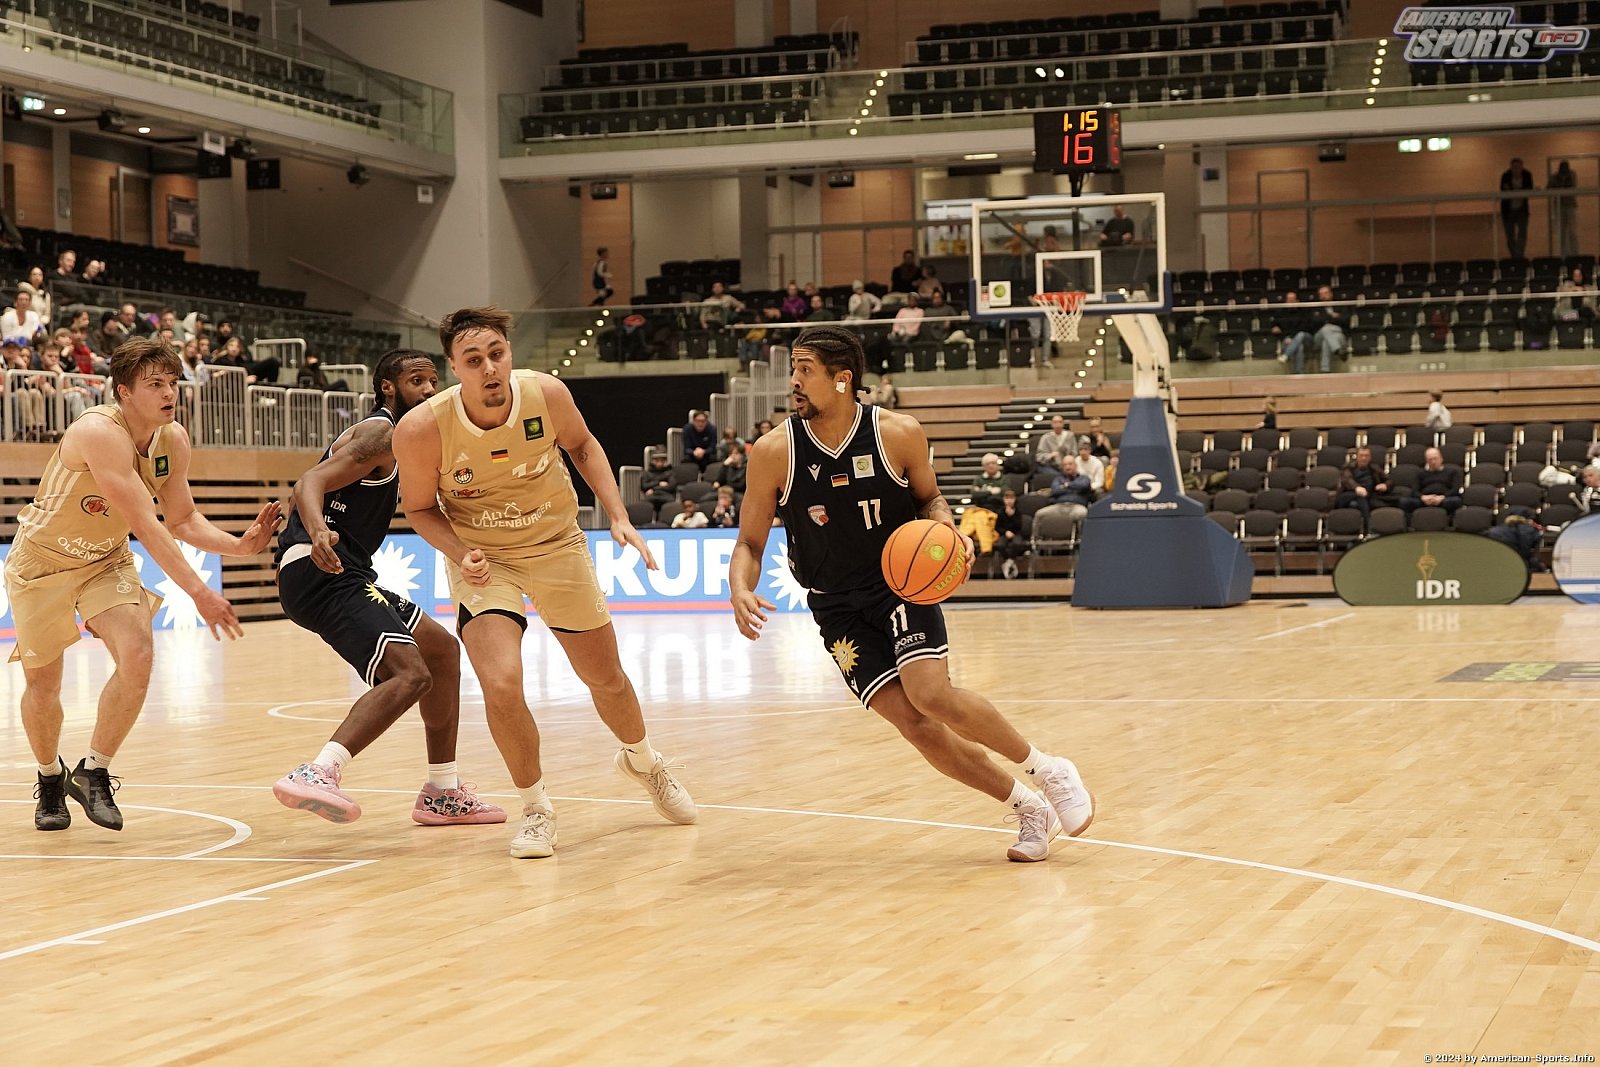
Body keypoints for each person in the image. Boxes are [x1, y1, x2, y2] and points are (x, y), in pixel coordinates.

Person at [728, 324, 1094, 862]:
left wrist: (948, 533)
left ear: (842, 379)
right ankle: (1027, 807)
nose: (795, 382)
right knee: (915, 725)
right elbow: (749, 542)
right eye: (793, 371)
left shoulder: (898, 433)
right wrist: (739, 587)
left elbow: (931, 500)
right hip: (834, 604)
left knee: (931, 694)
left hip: (899, 585)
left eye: (805, 370)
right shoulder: (774, 451)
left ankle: (1048, 769)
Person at [393, 306, 697, 860]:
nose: (489, 368)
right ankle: (536, 809)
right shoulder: (421, 430)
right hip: (486, 562)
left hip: (558, 546)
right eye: (473, 360)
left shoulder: (546, 394)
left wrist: (618, 514)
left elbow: (583, 446)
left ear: (510, 353)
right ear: (454, 367)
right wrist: (460, 554)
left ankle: (645, 762)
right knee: (502, 683)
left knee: (604, 677)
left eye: (496, 354)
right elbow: (418, 508)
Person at [6, 338, 279, 832]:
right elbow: (147, 525)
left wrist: (239, 546)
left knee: (138, 654)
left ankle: (93, 770)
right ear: (124, 392)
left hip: (105, 560)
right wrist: (200, 593)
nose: (169, 392)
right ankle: (49, 778)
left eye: (173, 382)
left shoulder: (173, 439)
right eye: (155, 384)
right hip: (42, 563)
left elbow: (183, 519)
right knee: (43, 687)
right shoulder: (98, 431)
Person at [271, 350, 505, 827]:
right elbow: (309, 482)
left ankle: (442, 791)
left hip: (350, 572)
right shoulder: (382, 432)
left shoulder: (409, 441)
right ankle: (318, 771)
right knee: (409, 674)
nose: (429, 389)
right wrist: (317, 532)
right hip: (320, 567)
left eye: (434, 380)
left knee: (441, 652)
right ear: (388, 388)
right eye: (417, 381)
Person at [1336, 446, 1397, 525]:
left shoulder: (1374, 468)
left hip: (1369, 495)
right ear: (1357, 457)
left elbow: (1389, 480)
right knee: (1360, 497)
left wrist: (1385, 485)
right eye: (1361, 455)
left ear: (1370, 457)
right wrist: (1357, 487)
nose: (1364, 458)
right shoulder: (1348, 468)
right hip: (1349, 495)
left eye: (1366, 456)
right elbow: (1347, 480)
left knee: (1394, 501)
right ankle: (1367, 525)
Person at [1402, 447, 1464, 514]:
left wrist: (1442, 497)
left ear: (1441, 459)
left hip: (1444, 499)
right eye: (1430, 459)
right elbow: (1414, 491)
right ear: (1426, 461)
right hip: (1425, 500)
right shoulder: (1420, 473)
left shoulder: (1452, 472)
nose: (1433, 462)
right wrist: (1423, 497)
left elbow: (1455, 489)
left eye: (1435, 458)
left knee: (1456, 501)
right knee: (1404, 502)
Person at [1037, 455, 1092, 527]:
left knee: (1083, 514)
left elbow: (1083, 485)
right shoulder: (1058, 479)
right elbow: (1055, 490)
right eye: (1065, 465)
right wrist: (1074, 489)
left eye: (1070, 464)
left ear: (1075, 465)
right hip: (1059, 506)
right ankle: (1036, 535)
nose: (1067, 467)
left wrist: (1066, 486)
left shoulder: (1084, 478)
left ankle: (1080, 535)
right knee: (1039, 514)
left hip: (1077, 506)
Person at [1500, 157, 1533, 260]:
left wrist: (1513, 190)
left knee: (1522, 233)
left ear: (1522, 167)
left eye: (1518, 167)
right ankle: (1514, 256)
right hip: (1508, 210)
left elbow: (1529, 188)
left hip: (1522, 209)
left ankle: (1519, 255)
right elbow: (1503, 190)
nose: (1516, 169)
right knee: (1510, 235)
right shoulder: (1506, 175)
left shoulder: (1527, 175)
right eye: (1514, 167)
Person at [1310, 285, 1346, 373]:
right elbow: (1315, 322)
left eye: (1325, 293)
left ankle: (1325, 369)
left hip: (1338, 335)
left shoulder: (1340, 305)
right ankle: (1338, 350)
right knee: (1326, 328)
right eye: (1321, 294)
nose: (1323, 296)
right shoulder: (1315, 307)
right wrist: (1332, 316)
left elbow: (1346, 320)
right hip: (1319, 336)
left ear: (1331, 294)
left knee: (1326, 341)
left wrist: (1330, 319)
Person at [994, 489, 1027, 580]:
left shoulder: (1018, 512)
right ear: (1004, 500)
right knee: (1000, 545)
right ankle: (1009, 560)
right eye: (1007, 498)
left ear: (1015, 499)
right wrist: (1005, 532)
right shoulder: (1000, 512)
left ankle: (1010, 561)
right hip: (1004, 534)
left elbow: (1019, 526)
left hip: (1016, 533)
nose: (1009, 501)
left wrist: (1012, 516)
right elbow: (997, 527)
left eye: (1011, 498)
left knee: (1017, 543)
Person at [1549, 160, 1578, 258]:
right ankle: (1563, 256)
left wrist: (1561, 183)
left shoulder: (1572, 175)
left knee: (1573, 231)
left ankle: (1575, 255)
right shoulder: (1554, 177)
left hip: (1570, 205)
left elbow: (1572, 186)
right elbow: (1548, 188)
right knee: (1561, 232)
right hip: (1559, 206)